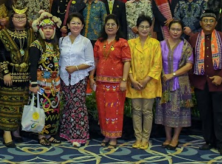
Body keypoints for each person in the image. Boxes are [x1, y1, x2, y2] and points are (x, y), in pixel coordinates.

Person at [189, 12, 222, 157]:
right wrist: (192, 81)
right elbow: (190, 59)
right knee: (205, 114)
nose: (208, 23)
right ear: (201, 23)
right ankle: (209, 141)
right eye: (205, 20)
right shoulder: (194, 38)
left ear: (216, 23)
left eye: (211, 20)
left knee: (221, 114)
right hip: (201, 83)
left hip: (219, 84)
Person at [0, 7, 36, 147]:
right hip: (9, 75)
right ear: (11, 19)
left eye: (22, 17)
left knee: (21, 104)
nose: (20, 19)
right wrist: (5, 72)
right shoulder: (2, 34)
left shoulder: (32, 34)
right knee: (7, 105)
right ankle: (6, 132)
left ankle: (16, 130)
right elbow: (0, 54)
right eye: (17, 17)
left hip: (25, 75)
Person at [91, 14, 131, 148]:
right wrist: (91, 77)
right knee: (103, 110)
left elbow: (127, 62)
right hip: (101, 82)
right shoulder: (99, 42)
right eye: (108, 24)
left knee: (114, 111)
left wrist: (124, 80)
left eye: (113, 24)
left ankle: (113, 137)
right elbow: (95, 61)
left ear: (117, 27)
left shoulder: (123, 43)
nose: (110, 27)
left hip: (116, 83)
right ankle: (106, 135)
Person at [156, 19, 194, 150]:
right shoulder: (161, 44)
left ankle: (175, 137)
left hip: (180, 84)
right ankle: (167, 137)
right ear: (168, 30)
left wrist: (172, 75)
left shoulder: (186, 45)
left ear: (182, 31)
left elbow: (189, 65)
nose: (175, 32)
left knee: (179, 111)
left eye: (178, 29)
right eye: (173, 29)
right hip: (164, 83)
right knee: (165, 110)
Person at [58, 13, 95, 147]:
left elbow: (91, 63)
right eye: (73, 23)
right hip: (64, 78)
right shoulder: (62, 41)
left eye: (78, 23)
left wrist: (76, 68)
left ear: (82, 26)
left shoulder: (85, 41)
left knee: (78, 106)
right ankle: (66, 133)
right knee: (68, 105)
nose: (76, 25)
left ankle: (78, 136)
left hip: (79, 78)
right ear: (68, 25)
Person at [127, 15, 162, 150]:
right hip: (134, 82)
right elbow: (127, 63)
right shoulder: (131, 43)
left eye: (147, 27)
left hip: (150, 83)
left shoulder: (155, 43)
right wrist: (132, 79)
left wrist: (146, 80)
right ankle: (138, 138)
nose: (144, 29)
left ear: (150, 28)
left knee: (147, 111)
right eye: (142, 26)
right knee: (136, 110)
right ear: (137, 28)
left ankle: (145, 139)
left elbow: (157, 65)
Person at [29, 11, 63, 146]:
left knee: (53, 109)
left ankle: (50, 134)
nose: (48, 31)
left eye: (50, 28)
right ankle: (41, 135)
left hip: (54, 84)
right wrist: (33, 83)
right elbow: (32, 66)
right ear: (40, 30)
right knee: (42, 109)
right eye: (45, 28)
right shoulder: (36, 45)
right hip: (41, 83)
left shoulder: (55, 45)